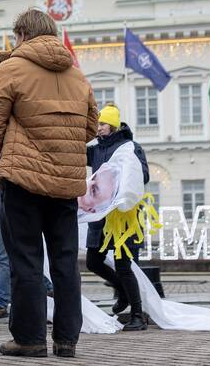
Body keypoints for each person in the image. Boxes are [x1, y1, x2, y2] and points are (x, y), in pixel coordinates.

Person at [0, 9, 98, 359]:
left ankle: (30, 339)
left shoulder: (11, 69)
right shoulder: (76, 74)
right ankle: (67, 340)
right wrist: (62, 149)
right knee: (65, 262)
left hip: (23, 181)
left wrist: (2, 163)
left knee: (26, 261)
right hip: (65, 183)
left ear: (21, 35)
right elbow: (90, 127)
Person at [85, 104, 150, 332]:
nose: (98, 128)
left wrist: (117, 180)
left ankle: (137, 316)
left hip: (123, 216)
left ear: (113, 125)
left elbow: (143, 175)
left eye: (102, 124)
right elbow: (72, 151)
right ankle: (121, 290)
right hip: (101, 215)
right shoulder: (95, 150)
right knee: (93, 262)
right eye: (97, 124)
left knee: (124, 266)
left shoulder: (130, 147)